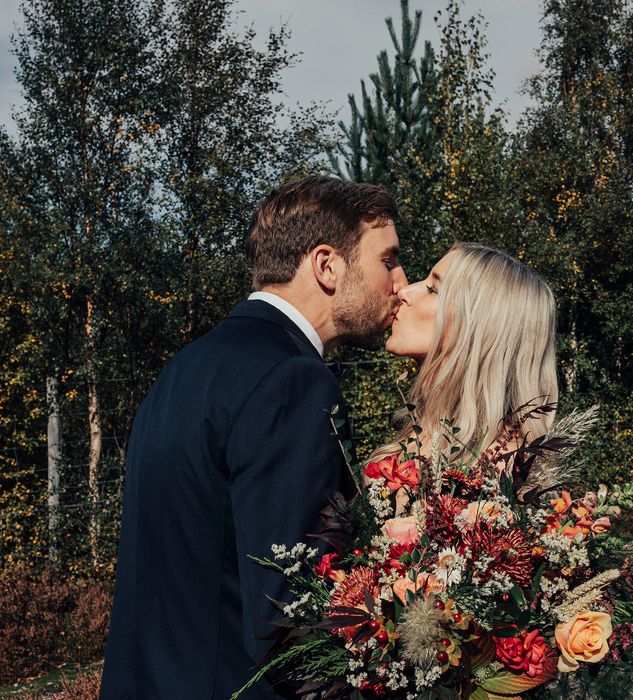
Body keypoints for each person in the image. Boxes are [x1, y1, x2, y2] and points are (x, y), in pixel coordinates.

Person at [100, 175, 407, 700]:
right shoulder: (292, 381)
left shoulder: (183, 369)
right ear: (327, 265)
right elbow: (290, 618)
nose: (401, 281)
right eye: (388, 260)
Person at [375, 241, 558, 464]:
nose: (404, 291)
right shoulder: (422, 429)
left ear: (477, 328)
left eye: (432, 289)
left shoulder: (496, 465)